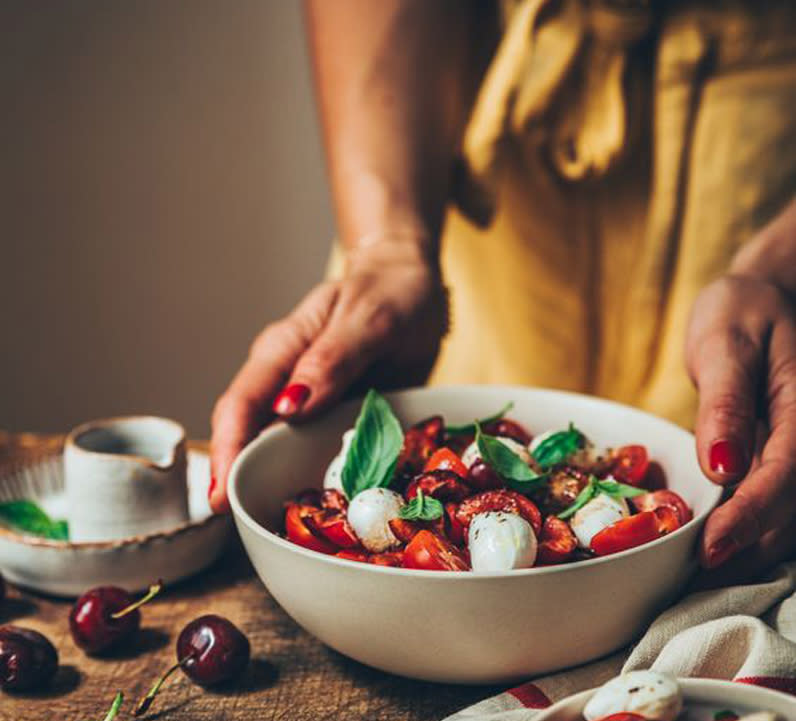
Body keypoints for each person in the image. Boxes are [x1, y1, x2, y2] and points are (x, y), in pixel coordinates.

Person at [209, 0, 796, 581]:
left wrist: (780, 272)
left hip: (751, 148)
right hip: (465, 142)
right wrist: (387, 245)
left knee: (729, 488)